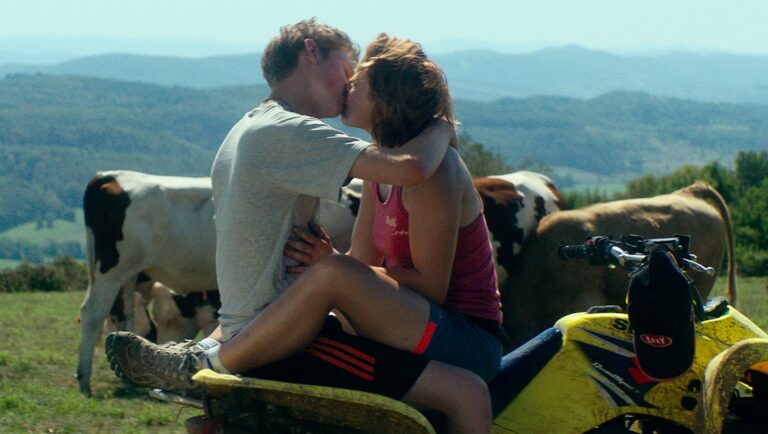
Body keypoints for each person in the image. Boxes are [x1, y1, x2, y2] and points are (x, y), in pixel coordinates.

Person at [107, 19, 492, 433]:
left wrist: (332, 266)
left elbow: (419, 284)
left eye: (357, 80)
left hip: (457, 330)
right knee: (333, 273)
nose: (348, 86)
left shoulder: (429, 172)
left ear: (386, 97)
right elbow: (362, 264)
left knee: (334, 273)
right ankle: (212, 351)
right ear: (311, 53)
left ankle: (205, 358)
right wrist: (336, 269)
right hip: (414, 318)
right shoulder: (380, 167)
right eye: (349, 71)